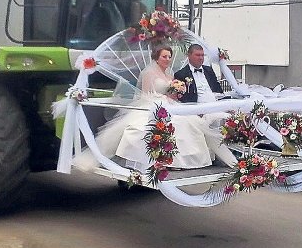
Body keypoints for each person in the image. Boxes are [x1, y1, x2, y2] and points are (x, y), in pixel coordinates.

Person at [73, 45, 216, 172]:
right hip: (151, 104)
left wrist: (174, 94)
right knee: (161, 125)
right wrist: (163, 99)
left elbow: (170, 93)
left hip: (169, 104)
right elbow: (145, 94)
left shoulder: (170, 74)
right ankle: (162, 160)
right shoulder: (149, 73)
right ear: (157, 58)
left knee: (188, 121)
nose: (167, 59)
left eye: (169, 57)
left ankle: (183, 160)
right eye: (164, 56)